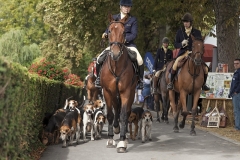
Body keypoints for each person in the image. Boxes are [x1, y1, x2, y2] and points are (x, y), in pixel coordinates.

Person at [95, 0, 144, 89]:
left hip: (128, 45)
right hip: (115, 45)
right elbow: (109, 29)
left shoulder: (133, 20)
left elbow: (134, 34)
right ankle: (98, 78)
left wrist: (124, 39)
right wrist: (105, 33)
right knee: (99, 59)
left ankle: (140, 80)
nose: (126, 8)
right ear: (120, 7)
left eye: (128, 7)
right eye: (125, 6)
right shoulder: (114, 17)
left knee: (140, 60)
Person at [167, 12, 210, 91]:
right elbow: (176, 44)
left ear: (190, 22)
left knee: (206, 68)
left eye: (187, 22)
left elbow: (200, 43)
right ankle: (171, 83)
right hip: (183, 53)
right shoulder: (179, 32)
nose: (185, 24)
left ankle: (204, 84)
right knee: (175, 64)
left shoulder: (197, 32)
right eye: (184, 22)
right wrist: (181, 44)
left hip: (194, 54)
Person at [229, 58, 240, 131]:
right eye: (234, 63)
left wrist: (236, 91)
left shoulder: (239, 72)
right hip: (234, 93)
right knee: (236, 110)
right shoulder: (236, 72)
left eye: (237, 63)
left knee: (237, 110)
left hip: (237, 94)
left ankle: (237, 127)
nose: (235, 65)